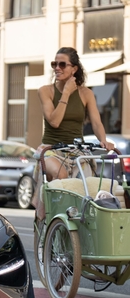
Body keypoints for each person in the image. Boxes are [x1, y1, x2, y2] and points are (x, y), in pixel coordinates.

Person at [32, 47, 115, 215]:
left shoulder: (86, 94)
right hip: (50, 150)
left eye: (62, 64)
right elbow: (54, 121)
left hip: (77, 151)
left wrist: (104, 140)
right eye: (55, 64)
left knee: (86, 190)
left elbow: (97, 123)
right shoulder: (45, 91)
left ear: (74, 69)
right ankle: (49, 220)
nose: (57, 68)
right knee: (60, 175)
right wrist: (67, 93)